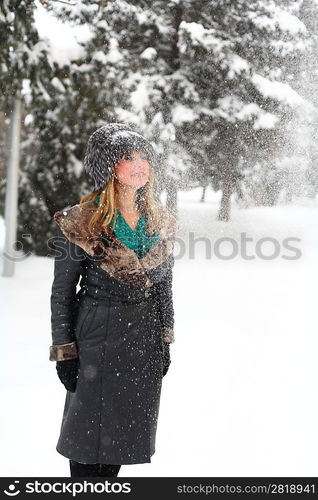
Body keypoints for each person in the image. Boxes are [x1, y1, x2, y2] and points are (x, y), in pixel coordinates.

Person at [49, 123, 180, 477]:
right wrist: (65, 351)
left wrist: (165, 338)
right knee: (87, 445)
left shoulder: (160, 221)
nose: (139, 165)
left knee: (120, 440)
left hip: (142, 343)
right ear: (108, 167)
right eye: (127, 158)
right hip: (95, 341)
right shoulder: (82, 221)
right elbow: (62, 293)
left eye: (144, 157)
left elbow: (164, 286)